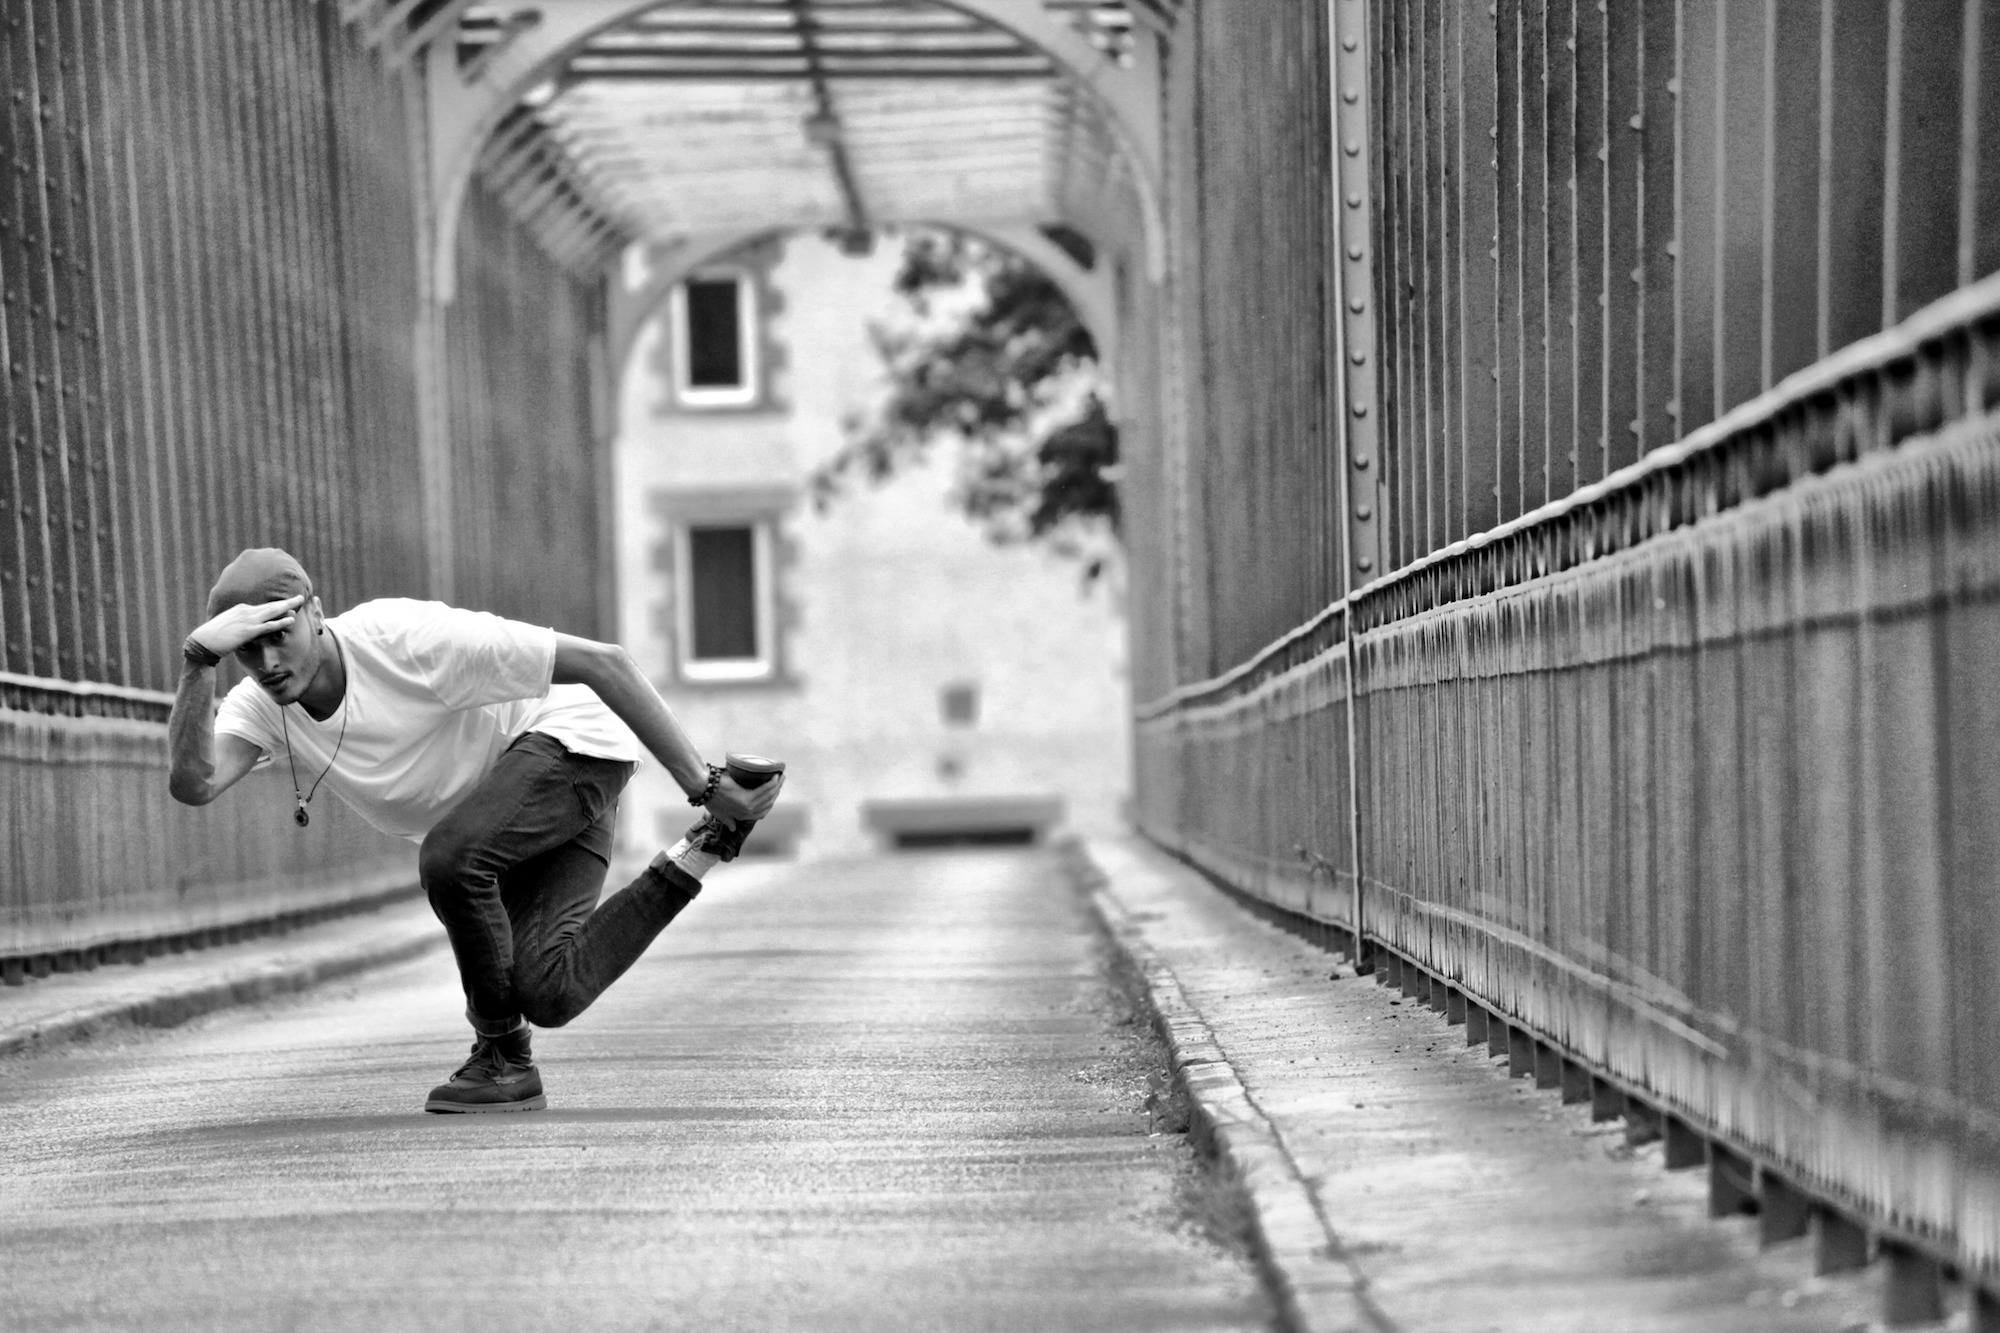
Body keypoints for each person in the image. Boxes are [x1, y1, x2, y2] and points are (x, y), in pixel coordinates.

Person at [167, 548, 783, 1114]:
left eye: (280, 635)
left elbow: (606, 663)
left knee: (451, 860)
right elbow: (196, 783)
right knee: (549, 991)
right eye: (248, 650)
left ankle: (502, 1056)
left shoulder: (406, 640)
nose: (269, 664)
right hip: (509, 813)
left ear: (316, 614)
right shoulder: (262, 705)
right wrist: (199, 663)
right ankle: (709, 843)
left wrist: (704, 782)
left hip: (573, 745)